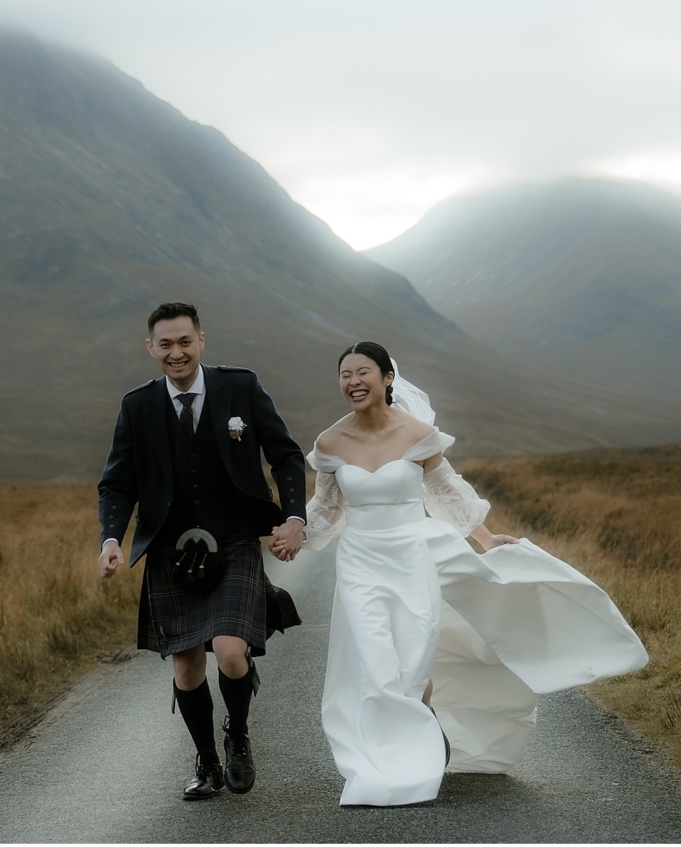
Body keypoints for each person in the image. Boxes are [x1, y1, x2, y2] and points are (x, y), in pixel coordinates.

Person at [270, 341, 648, 807]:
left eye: (363, 371)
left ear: (387, 378)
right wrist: (296, 536)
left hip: (411, 560)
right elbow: (326, 508)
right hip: (359, 564)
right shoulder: (330, 443)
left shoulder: (417, 434)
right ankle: (378, 766)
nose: (353, 381)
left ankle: (419, 733)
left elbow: (448, 492)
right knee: (375, 661)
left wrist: (486, 540)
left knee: (412, 663)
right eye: (345, 374)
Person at [98, 302, 308, 801]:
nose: (176, 352)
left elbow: (285, 455)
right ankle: (207, 761)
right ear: (151, 348)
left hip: (234, 536)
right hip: (171, 548)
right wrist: (111, 539)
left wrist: (295, 519)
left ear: (202, 341)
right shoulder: (137, 406)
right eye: (165, 344)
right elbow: (116, 484)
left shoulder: (241, 386)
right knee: (187, 667)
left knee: (231, 652)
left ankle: (237, 737)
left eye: (185, 341)